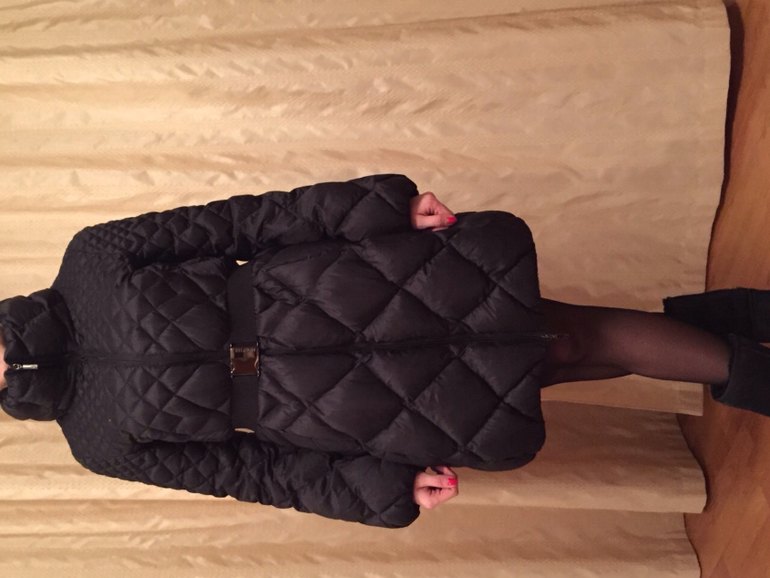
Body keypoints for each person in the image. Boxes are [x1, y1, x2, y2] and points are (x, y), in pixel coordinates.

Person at [1, 173, 769, 528]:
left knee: (569, 335)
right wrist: (382, 489)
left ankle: (750, 362)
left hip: (343, 289)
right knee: (549, 363)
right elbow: (251, 473)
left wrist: (380, 210)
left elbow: (244, 222)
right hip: (349, 410)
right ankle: (741, 324)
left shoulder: (90, 259)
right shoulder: (96, 442)